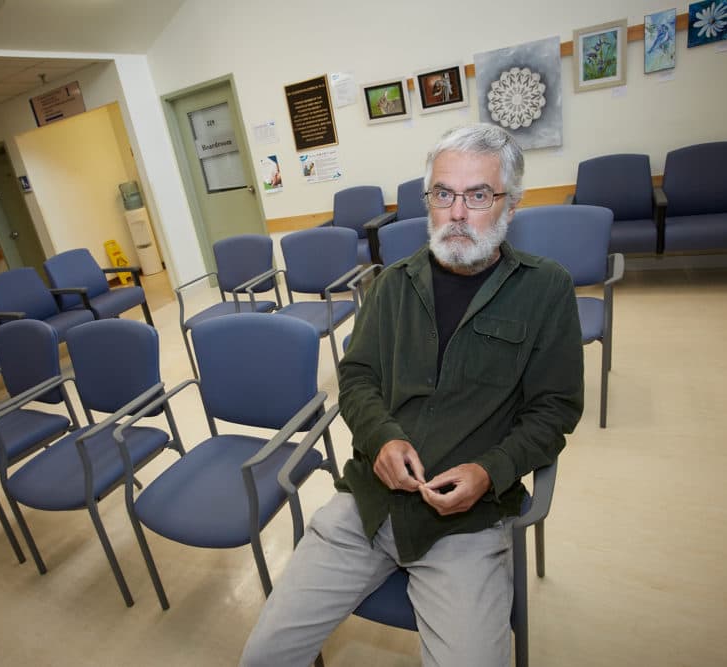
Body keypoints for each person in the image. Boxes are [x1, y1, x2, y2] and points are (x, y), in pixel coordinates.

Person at [240, 124, 584, 667]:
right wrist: (379, 439)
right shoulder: (391, 285)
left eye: (478, 196)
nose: (458, 212)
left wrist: (491, 471)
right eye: (443, 194)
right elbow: (356, 379)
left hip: (467, 524)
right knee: (263, 657)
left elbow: (555, 410)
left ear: (510, 208)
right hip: (368, 507)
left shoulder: (547, 291)